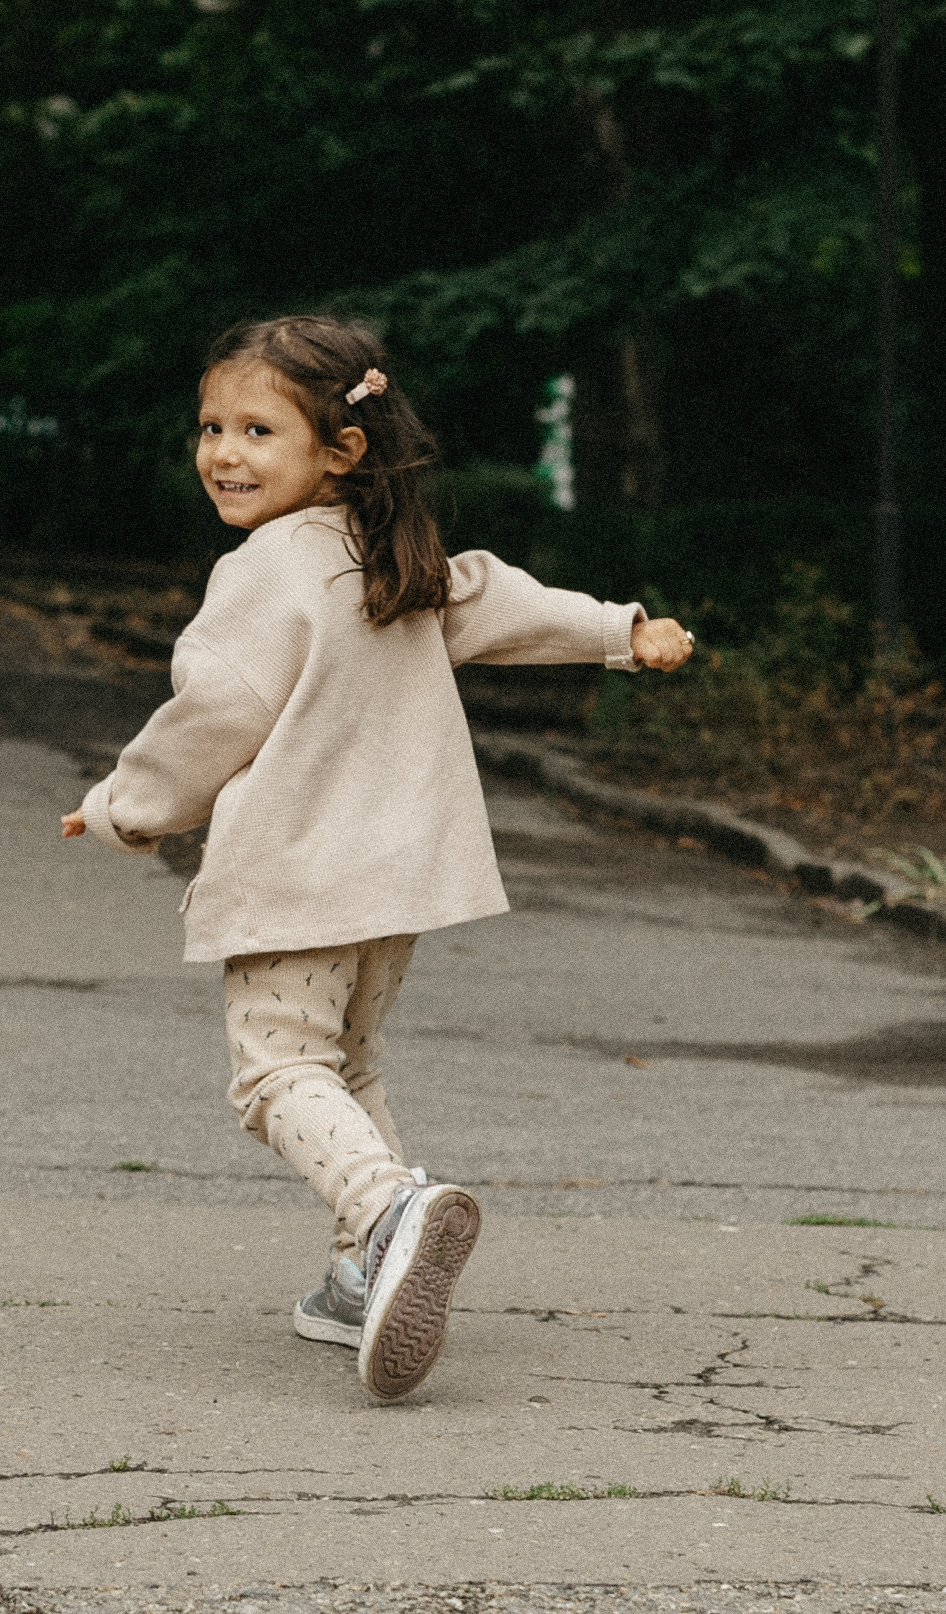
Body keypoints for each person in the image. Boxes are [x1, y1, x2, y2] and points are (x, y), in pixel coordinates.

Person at [63, 313, 694, 1405]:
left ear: (338, 450)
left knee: (274, 1072)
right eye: (210, 426)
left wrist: (125, 808)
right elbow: (498, 602)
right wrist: (614, 629)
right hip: (398, 881)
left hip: (301, 876)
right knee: (346, 1064)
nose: (222, 451)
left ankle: (387, 1209)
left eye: (257, 429)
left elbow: (214, 715)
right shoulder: (392, 557)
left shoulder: (264, 574)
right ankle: (364, 1274)